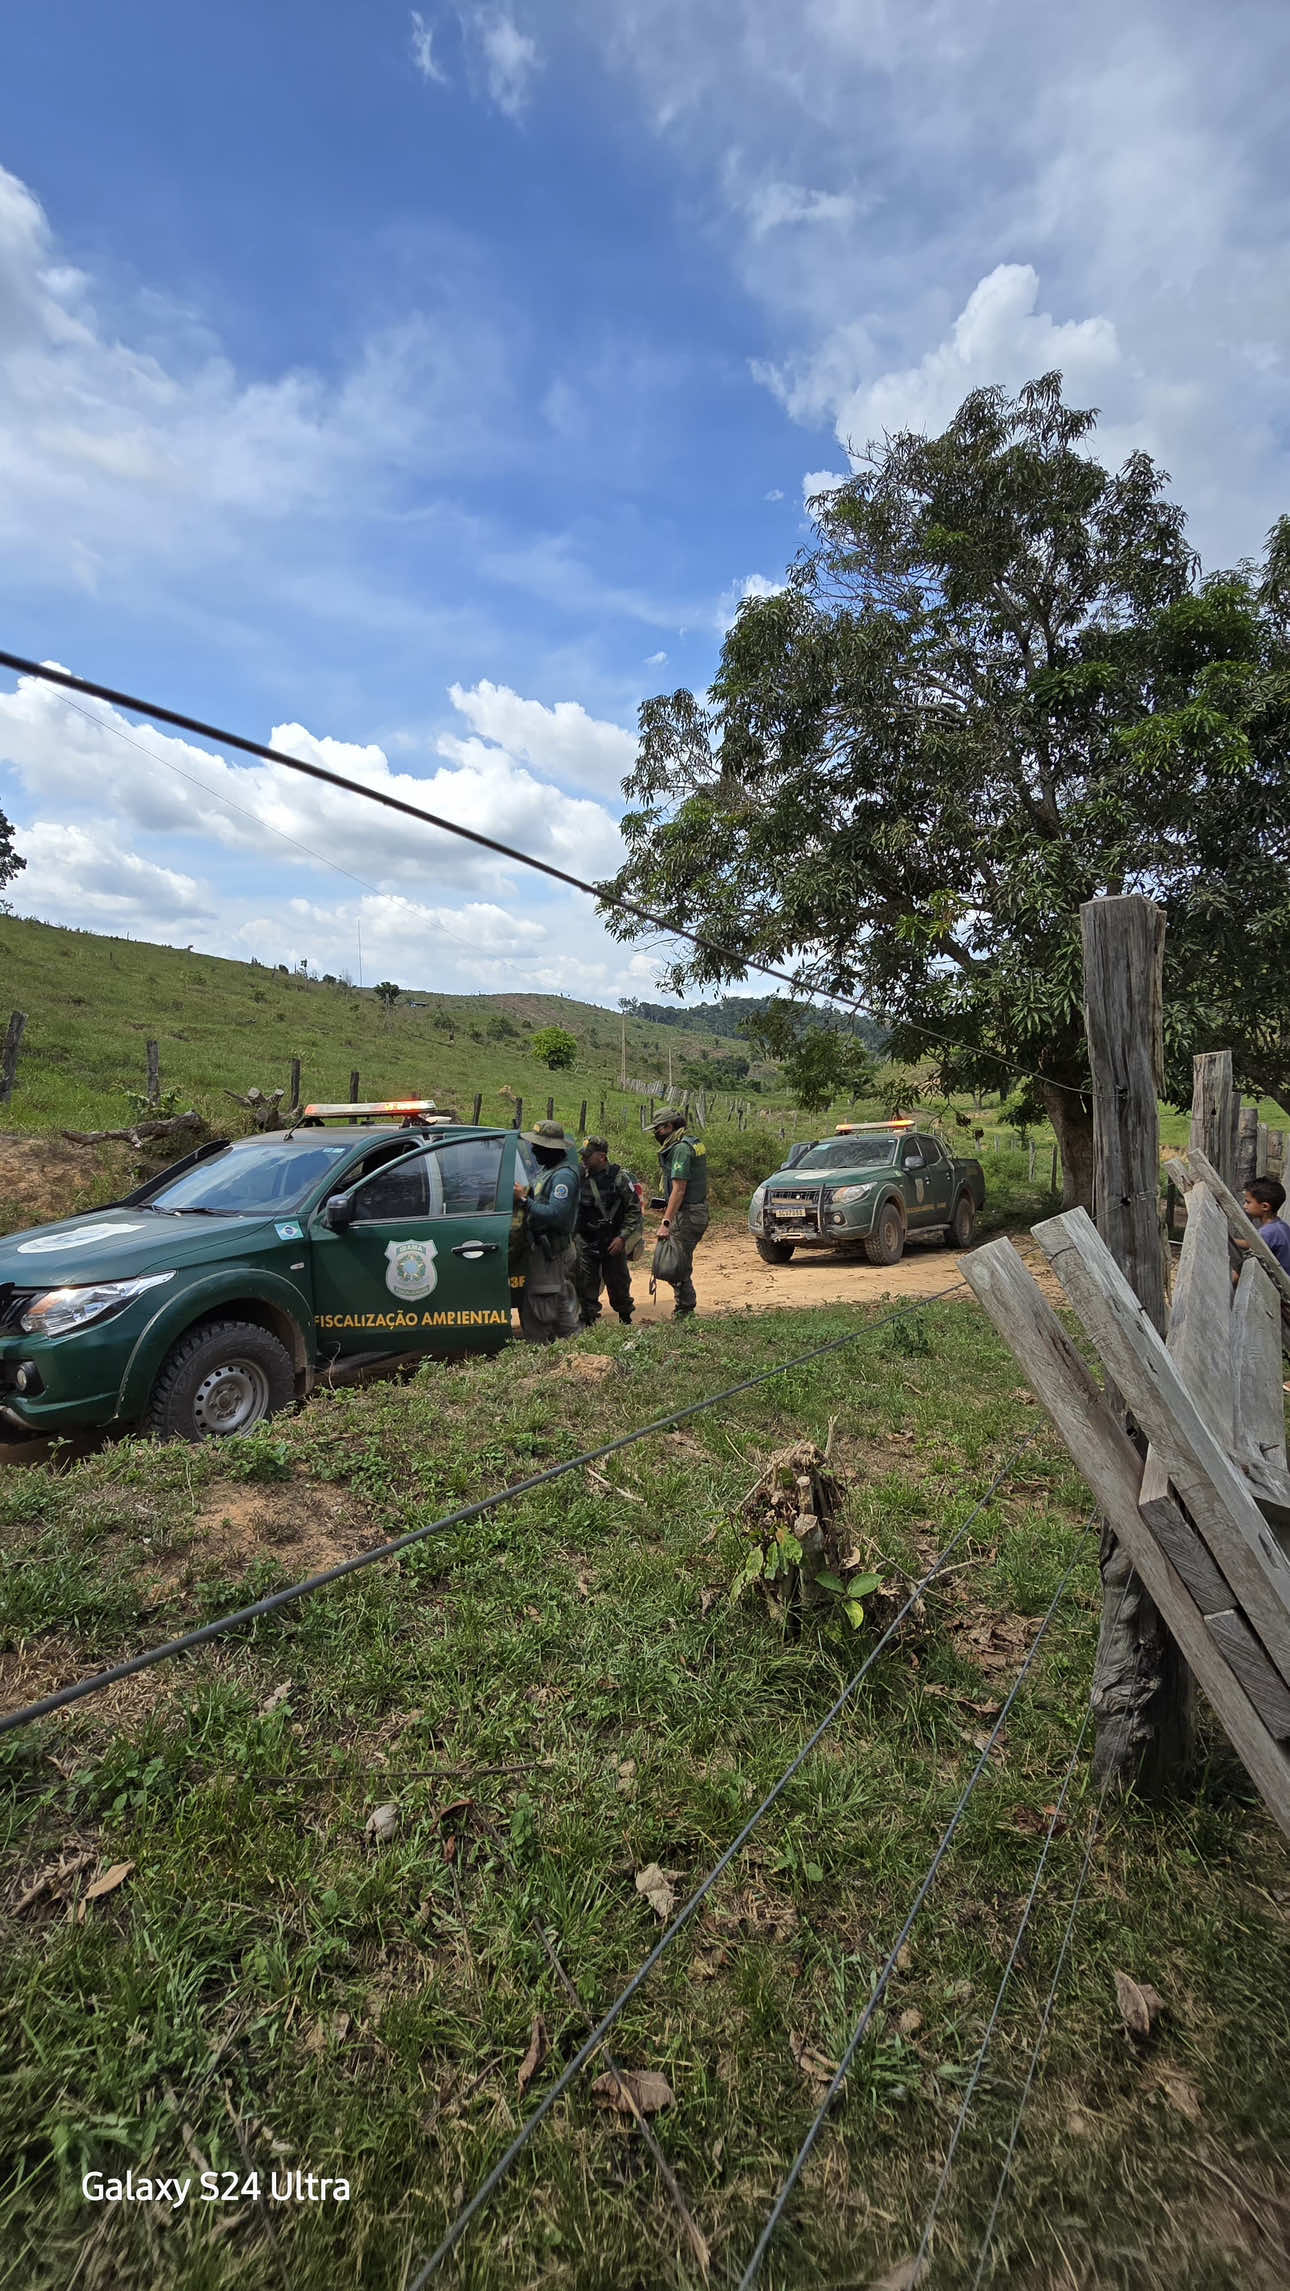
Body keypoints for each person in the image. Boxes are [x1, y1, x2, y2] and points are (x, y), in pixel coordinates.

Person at [515, 1120, 581, 1342]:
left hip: (553, 1250)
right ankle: (574, 1344)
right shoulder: (548, 1171)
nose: (533, 1150)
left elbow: (556, 1214)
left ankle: (539, 1352)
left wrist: (525, 1202)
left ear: (552, 1149)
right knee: (558, 1301)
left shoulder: (563, 1177)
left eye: (538, 1147)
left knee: (539, 1306)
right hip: (547, 1249)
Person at [575, 1138, 643, 1327]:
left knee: (618, 1282)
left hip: (612, 1240)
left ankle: (625, 1319)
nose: (584, 1160)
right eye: (583, 1156)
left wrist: (622, 1237)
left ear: (602, 1157)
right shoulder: (580, 1177)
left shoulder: (619, 1178)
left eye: (588, 1156)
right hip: (587, 1240)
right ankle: (588, 1321)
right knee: (586, 1283)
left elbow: (634, 1210)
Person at [651, 1107, 709, 1319]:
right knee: (680, 1259)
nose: (656, 1134)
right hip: (696, 1210)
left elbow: (679, 1188)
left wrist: (666, 1222)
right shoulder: (692, 1142)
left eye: (658, 1129)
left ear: (669, 1126)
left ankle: (685, 1309)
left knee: (674, 1263)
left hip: (688, 1214)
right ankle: (685, 1306)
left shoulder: (680, 1150)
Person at [1240, 1176, 1290, 1275]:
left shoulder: (1268, 1231)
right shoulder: (1281, 1225)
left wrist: (1230, 1240)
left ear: (1264, 1206)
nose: (1244, 1206)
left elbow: (1252, 1245)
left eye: (1248, 1202)